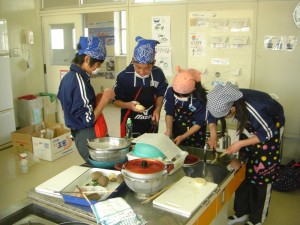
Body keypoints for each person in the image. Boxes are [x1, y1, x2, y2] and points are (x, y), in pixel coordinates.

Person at [206, 82, 285, 225]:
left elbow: (267, 133)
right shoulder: (219, 99)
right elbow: (211, 114)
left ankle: (256, 220)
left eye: (225, 116)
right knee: (243, 171)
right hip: (251, 126)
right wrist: (213, 134)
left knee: (261, 176)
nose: (223, 119)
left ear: (233, 108)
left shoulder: (255, 109)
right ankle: (241, 213)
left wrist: (240, 143)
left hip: (269, 130)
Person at [57, 36, 115, 162]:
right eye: (97, 64)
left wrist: (95, 99)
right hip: (86, 134)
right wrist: (104, 100)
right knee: (100, 164)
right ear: (87, 58)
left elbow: (75, 106)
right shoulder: (79, 81)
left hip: (77, 133)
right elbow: (88, 119)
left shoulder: (68, 77)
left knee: (94, 164)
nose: (97, 68)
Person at [113, 36, 168, 137]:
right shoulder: (124, 76)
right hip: (129, 120)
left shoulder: (158, 73)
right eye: (138, 67)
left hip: (151, 119)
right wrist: (129, 105)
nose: (142, 72)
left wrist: (158, 109)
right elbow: (115, 102)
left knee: (150, 146)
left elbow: (160, 94)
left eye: (147, 68)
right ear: (133, 61)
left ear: (153, 63)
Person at [164, 65, 216, 147]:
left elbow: (199, 122)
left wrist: (183, 137)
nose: (180, 97)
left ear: (193, 89)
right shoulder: (170, 91)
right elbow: (169, 112)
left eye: (184, 95)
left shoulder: (200, 98)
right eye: (177, 94)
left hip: (196, 133)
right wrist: (168, 130)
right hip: (178, 127)